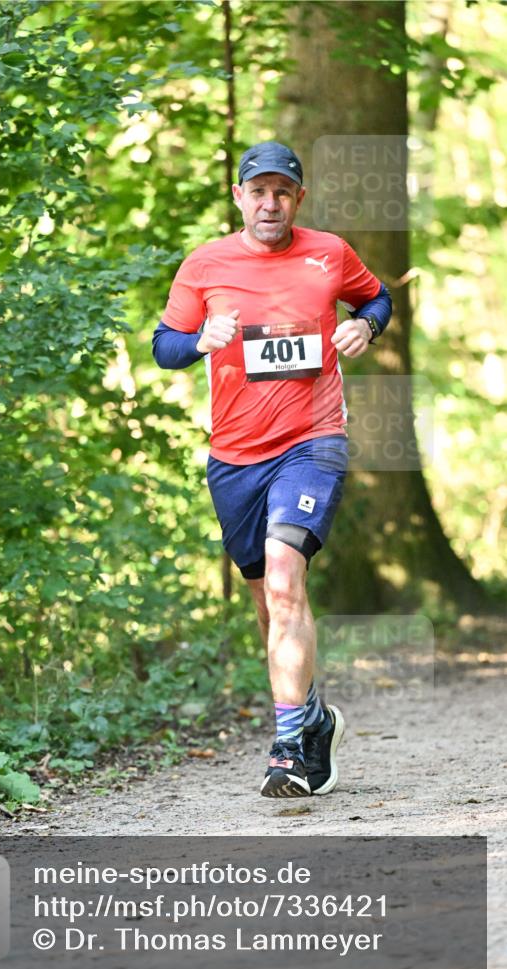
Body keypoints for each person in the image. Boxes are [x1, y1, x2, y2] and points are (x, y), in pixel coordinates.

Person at [152, 141, 392, 798]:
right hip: (233, 457)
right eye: (257, 191)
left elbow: (375, 298)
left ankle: (286, 747)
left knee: (285, 580)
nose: (269, 203)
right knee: (266, 602)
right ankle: (311, 718)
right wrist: (200, 340)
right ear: (238, 197)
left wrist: (365, 329)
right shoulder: (205, 265)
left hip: (312, 442)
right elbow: (163, 346)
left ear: (298, 200)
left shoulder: (328, 253)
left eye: (281, 192)